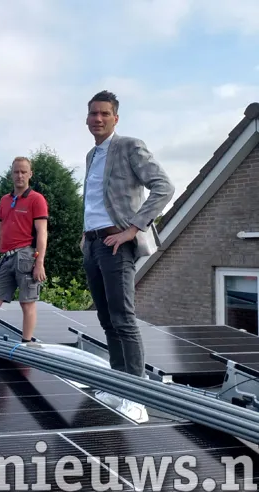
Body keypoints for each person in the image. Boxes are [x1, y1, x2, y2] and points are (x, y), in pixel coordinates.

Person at [81, 90, 175, 383]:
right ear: (86, 118)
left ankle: (136, 389)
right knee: (107, 319)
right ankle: (118, 383)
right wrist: (85, 237)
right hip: (92, 244)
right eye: (93, 113)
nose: (98, 118)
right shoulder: (91, 155)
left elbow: (164, 187)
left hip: (116, 244)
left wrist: (133, 229)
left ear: (116, 118)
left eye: (104, 113)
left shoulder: (129, 146)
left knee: (122, 318)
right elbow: (96, 200)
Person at [0, 156, 48, 342]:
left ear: (30, 174)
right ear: (11, 174)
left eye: (23, 172)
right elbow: (0, 231)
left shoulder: (36, 199)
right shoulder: (5, 200)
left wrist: (39, 262)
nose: (20, 175)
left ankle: (26, 344)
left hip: (26, 255)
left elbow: (42, 232)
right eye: (16, 172)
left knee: (27, 303)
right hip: (6, 257)